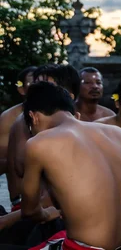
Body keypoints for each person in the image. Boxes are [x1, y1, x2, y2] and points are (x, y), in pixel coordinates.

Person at [21, 81, 121, 250]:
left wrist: (48, 213)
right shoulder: (117, 133)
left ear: (34, 117)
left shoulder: (38, 143)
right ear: (75, 114)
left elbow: (29, 211)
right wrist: (119, 217)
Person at [7, 64, 80, 213]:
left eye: (46, 88)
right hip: (31, 207)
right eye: (37, 86)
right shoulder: (27, 121)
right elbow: (23, 168)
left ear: (67, 94)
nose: (39, 94)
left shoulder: (74, 120)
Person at [0, 66, 36, 176]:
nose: (39, 87)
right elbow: (2, 159)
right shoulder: (8, 117)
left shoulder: (58, 114)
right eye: (33, 83)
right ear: (21, 89)